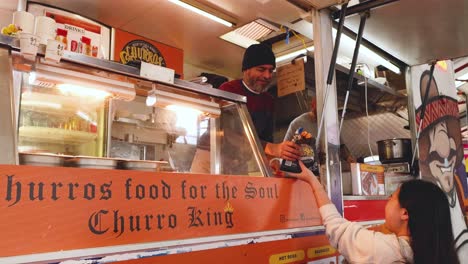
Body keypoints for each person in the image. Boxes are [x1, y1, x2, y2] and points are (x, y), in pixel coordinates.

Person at [288, 161, 459, 264]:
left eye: (392, 197)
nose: (387, 201)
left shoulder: (383, 248)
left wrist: (312, 180)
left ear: (404, 214)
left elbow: (336, 227)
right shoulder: (436, 251)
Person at [219, 43, 300, 161]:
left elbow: (266, 138)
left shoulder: (268, 101)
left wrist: (272, 161)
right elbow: (229, 133)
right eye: (261, 69)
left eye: (271, 70)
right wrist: (272, 149)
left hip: (243, 160)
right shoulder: (229, 90)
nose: (267, 75)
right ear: (246, 69)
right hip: (213, 154)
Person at [284, 96, 355, 164]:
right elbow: (286, 148)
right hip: (305, 169)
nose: (323, 109)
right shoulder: (297, 123)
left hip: (327, 168)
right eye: (321, 105)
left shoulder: (330, 124)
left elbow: (341, 146)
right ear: (313, 104)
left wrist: (349, 158)